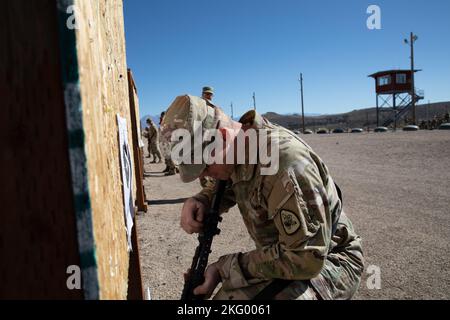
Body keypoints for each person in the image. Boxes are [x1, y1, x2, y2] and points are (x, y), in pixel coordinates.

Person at [160, 95, 364, 300]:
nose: (203, 175)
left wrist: (225, 268)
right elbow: (228, 183)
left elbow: (306, 258)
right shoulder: (238, 149)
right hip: (285, 259)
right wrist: (202, 199)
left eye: (204, 167)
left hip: (330, 260)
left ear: (222, 136)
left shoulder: (283, 164)